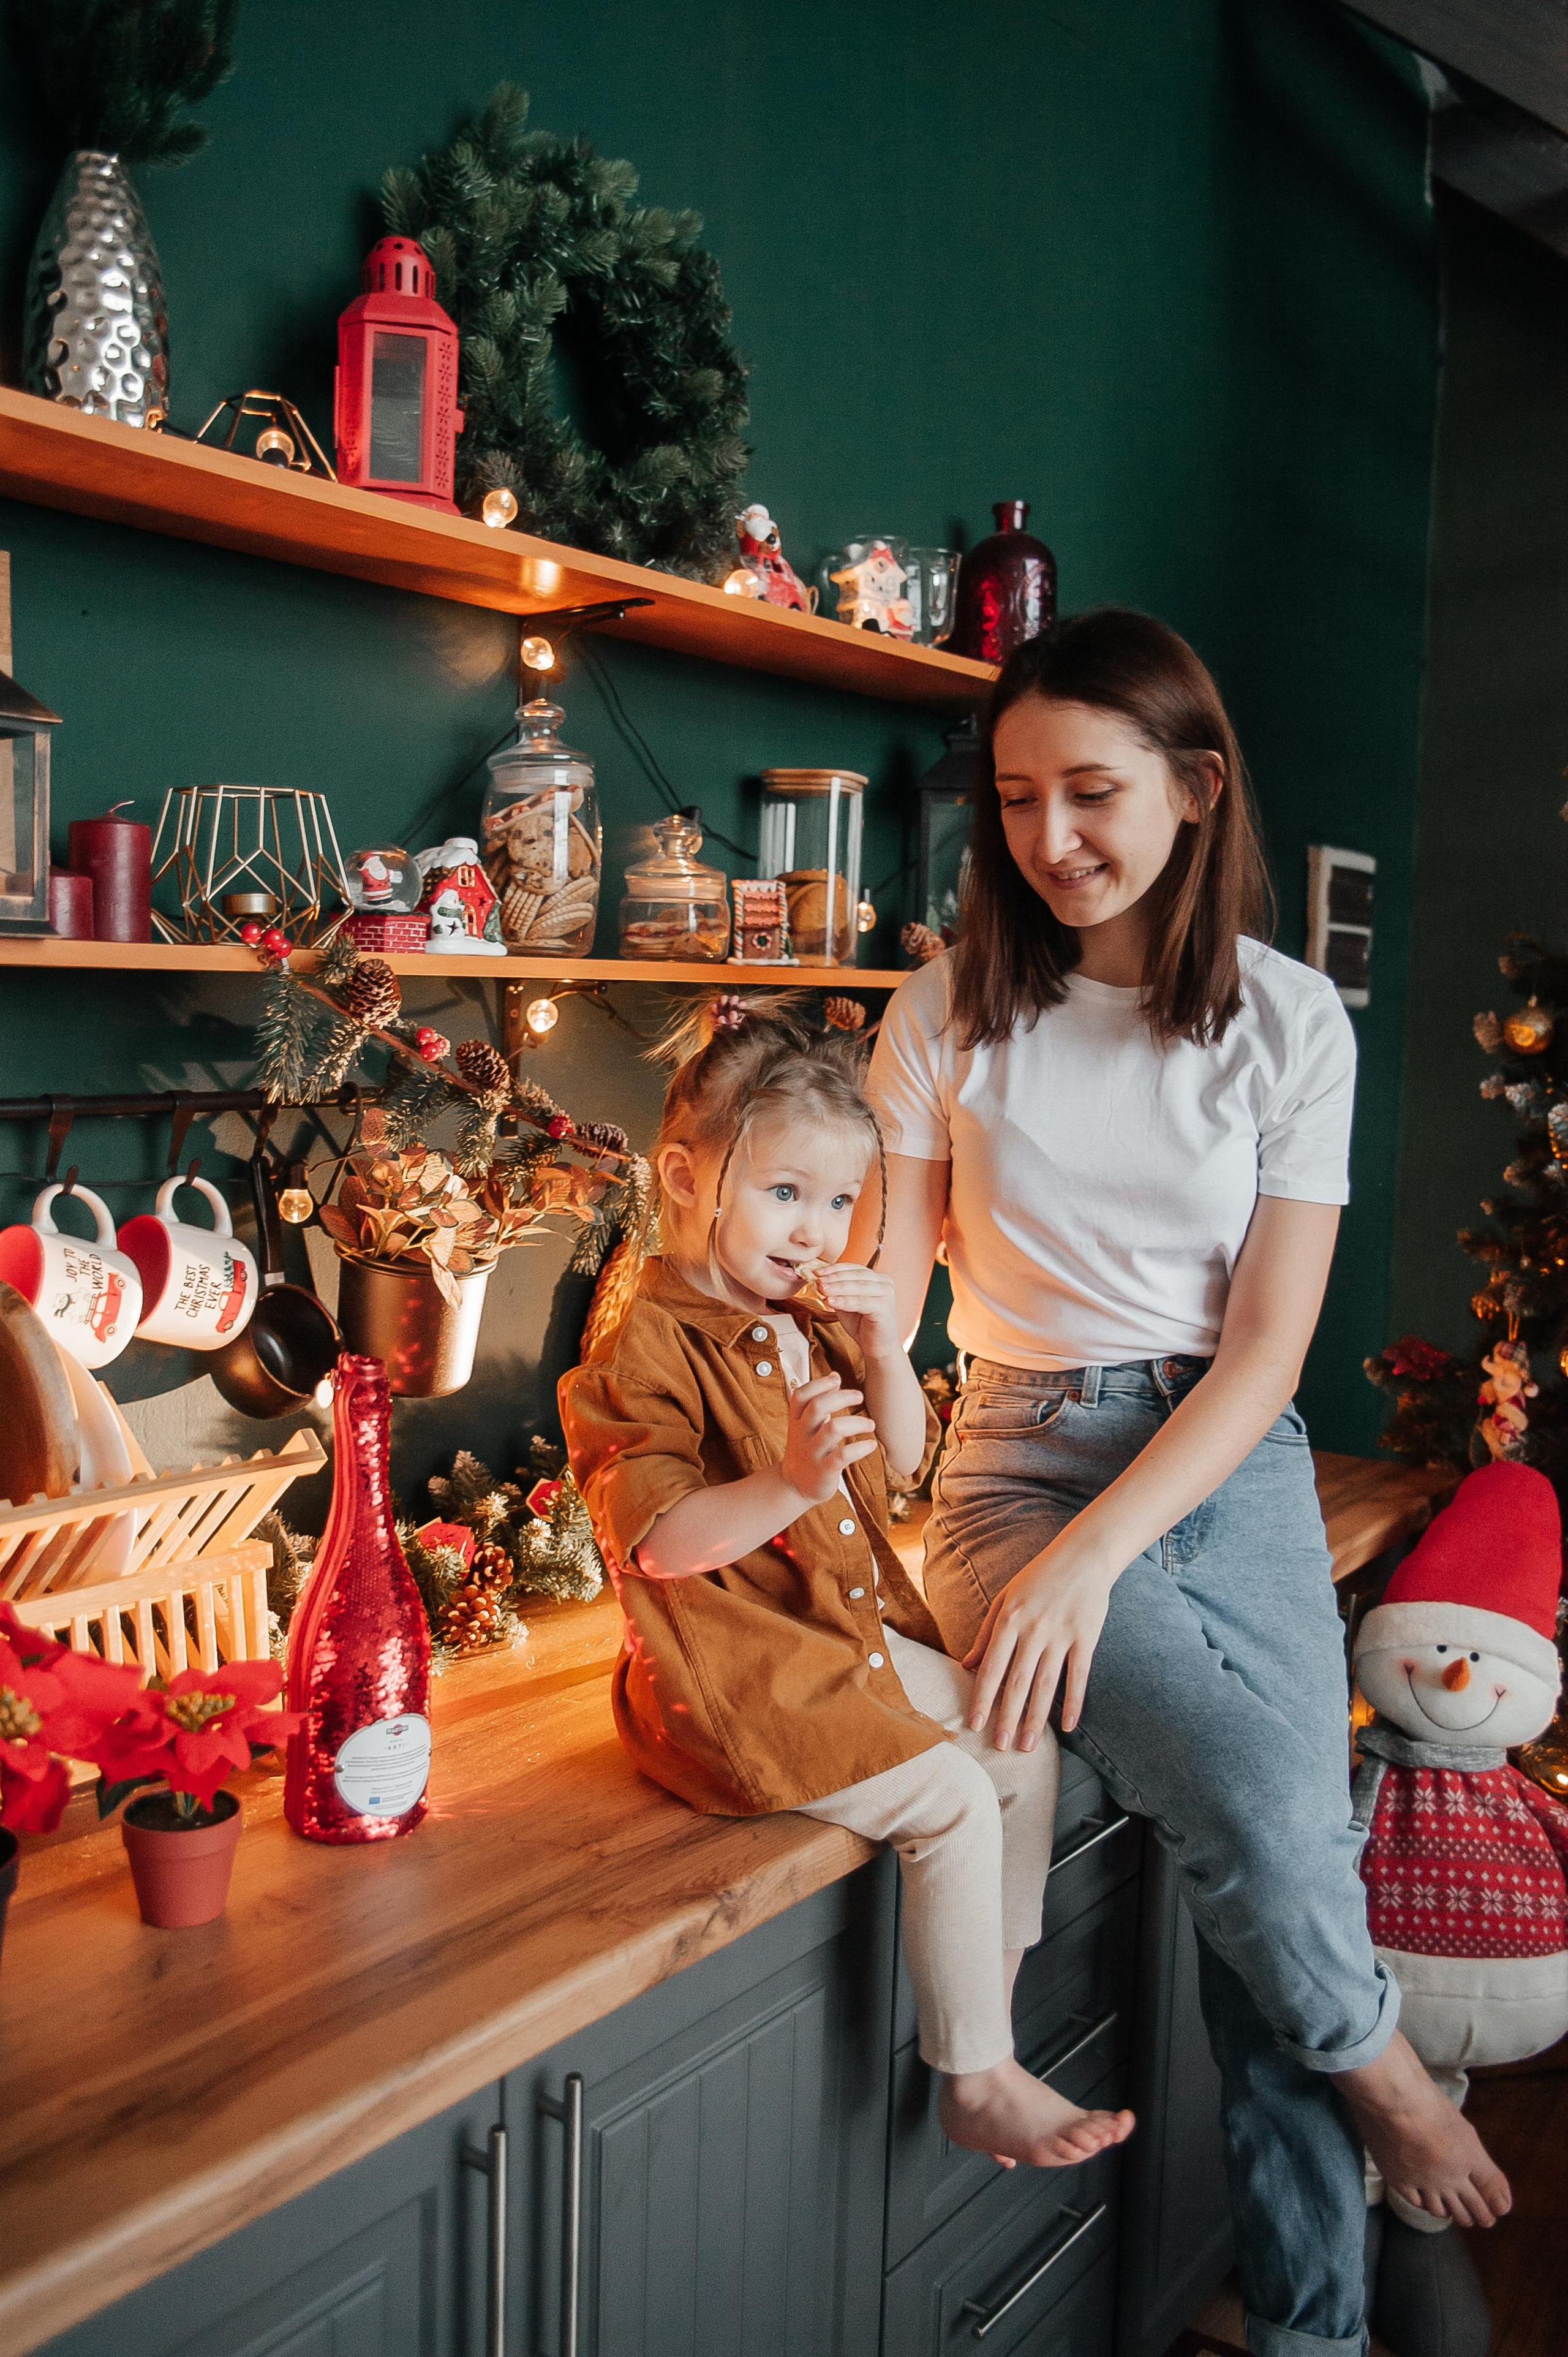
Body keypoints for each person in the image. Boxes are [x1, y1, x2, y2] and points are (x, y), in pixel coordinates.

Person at [856, 609, 1510, 2357]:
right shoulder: (943, 1013)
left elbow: (1264, 1356)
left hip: (1227, 1465)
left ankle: (1309, 2332)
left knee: (1262, 1896)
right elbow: (888, 1281)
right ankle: (1391, 2078)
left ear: (1197, 785)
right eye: (1014, 799)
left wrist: (1099, 1566)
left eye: (1092, 792)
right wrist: (840, 1330)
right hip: (1007, 1466)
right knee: (1265, 1811)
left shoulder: (1291, 1027)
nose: (1049, 838)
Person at [559, 996, 1134, 2170]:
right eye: (785, 1194)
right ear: (684, 1174)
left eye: (836, 1203)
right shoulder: (641, 1345)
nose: (817, 1231)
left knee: (1020, 1742)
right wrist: (787, 1482)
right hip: (739, 1671)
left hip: (837, 1631)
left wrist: (881, 1354)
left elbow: (907, 1460)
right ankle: (973, 2077)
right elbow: (658, 1543)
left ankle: (988, 2012)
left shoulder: (798, 1316)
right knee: (954, 1800)